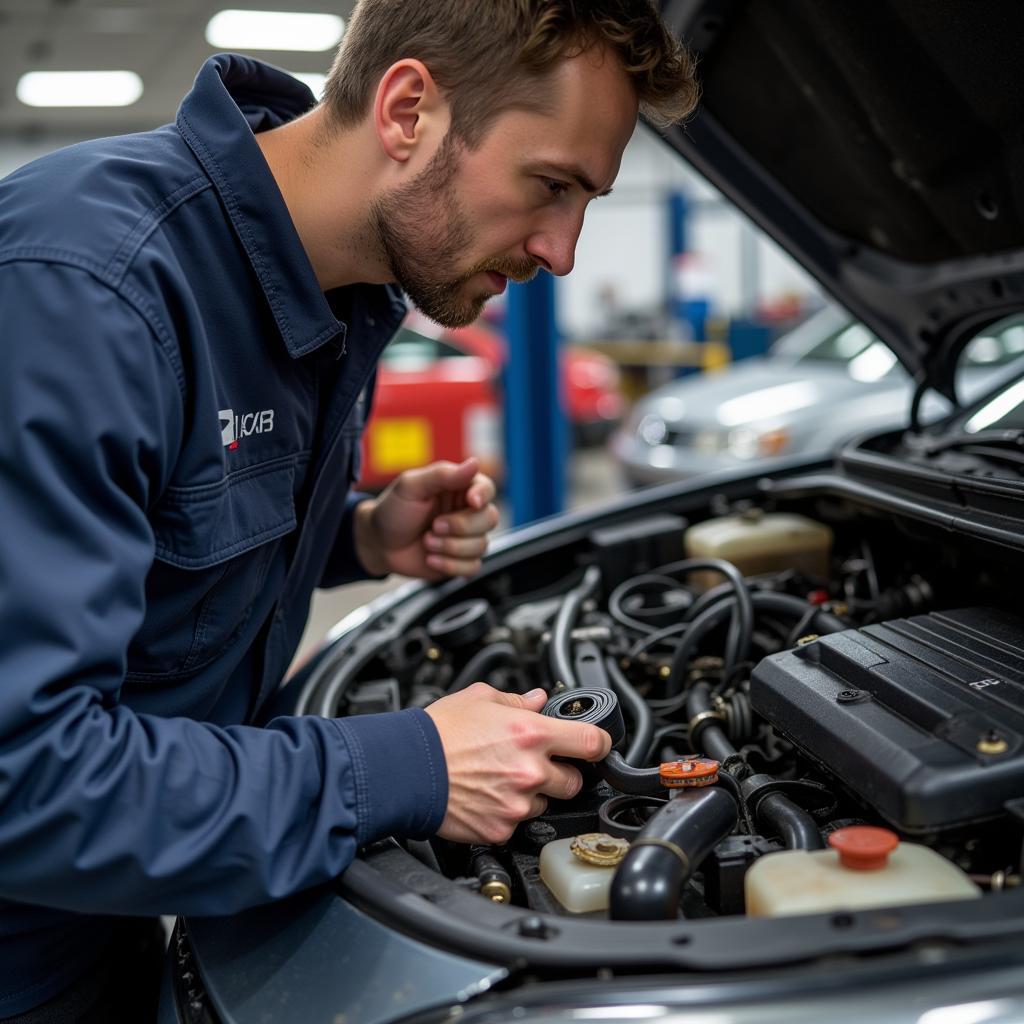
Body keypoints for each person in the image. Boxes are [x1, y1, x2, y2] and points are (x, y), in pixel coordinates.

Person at [0, 1, 698, 1019]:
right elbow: (26, 775)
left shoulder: (349, 286)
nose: (562, 251)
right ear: (408, 109)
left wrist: (357, 535)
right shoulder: (88, 292)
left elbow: (148, 542)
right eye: (550, 186)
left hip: (118, 893)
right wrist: (406, 764)